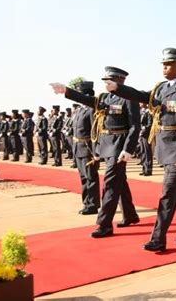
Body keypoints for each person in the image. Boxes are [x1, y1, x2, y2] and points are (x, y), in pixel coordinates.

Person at [51, 48, 176, 252]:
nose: (164, 68)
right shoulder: (161, 89)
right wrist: (115, 88)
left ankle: (158, 239)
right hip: (164, 147)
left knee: (167, 194)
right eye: (163, 64)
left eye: (168, 64)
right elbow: (140, 96)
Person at [50, 66, 141, 236]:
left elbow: (135, 126)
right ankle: (130, 215)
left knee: (110, 185)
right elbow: (89, 101)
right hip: (106, 144)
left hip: (119, 146)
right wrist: (66, 91)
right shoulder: (105, 97)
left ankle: (104, 224)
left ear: (119, 80)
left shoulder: (129, 98)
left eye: (109, 81)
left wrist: (128, 149)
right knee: (120, 182)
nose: (106, 84)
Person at [71, 81, 100, 215]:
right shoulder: (79, 110)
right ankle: (86, 202)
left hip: (87, 148)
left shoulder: (91, 110)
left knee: (90, 177)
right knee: (83, 177)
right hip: (78, 147)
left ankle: (93, 205)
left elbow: (95, 133)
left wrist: (95, 152)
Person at [138, 102, 153, 176]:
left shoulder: (148, 112)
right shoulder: (140, 111)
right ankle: (144, 168)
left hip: (146, 134)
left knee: (147, 152)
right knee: (143, 152)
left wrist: (143, 130)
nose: (140, 104)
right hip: (140, 134)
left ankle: (148, 169)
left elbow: (150, 124)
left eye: (141, 102)